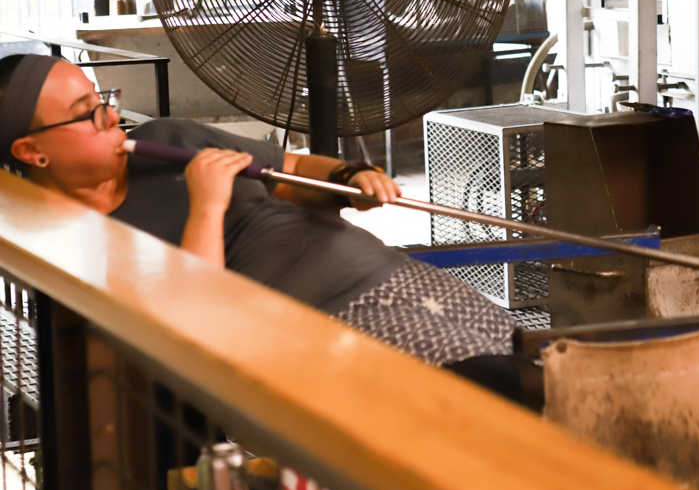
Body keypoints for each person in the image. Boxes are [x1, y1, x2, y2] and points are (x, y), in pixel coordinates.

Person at [0, 53, 540, 408]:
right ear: (33, 150)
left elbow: (294, 172)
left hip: (393, 277)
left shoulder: (170, 136)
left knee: (542, 370)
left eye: (103, 101)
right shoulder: (78, 241)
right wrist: (206, 207)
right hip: (322, 328)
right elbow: (194, 325)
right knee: (496, 391)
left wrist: (351, 178)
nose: (112, 119)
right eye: (87, 114)